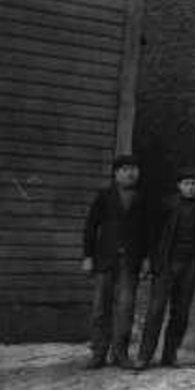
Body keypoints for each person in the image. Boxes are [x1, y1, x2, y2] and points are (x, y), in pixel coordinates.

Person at [81, 153, 150, 370]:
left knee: (125, 308)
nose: (131, 173)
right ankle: (98, 353)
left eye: (134, 169)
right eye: (125, 169)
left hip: (130, 262)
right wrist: (88, 256)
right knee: (100, 308)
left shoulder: (143, 198)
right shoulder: (104, 196)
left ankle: (120, 353)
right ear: (116, 173)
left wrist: (147, 258)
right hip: (105, 260)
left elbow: (149, 232)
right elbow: (91, 227)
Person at [136, 166, 195, 370]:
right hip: (167, 263)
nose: (191, 187)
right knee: (156, 310)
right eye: (187, 183)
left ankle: (170, 354)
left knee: (181, 311)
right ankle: (144, 356)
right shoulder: (167, 205)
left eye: (194, 184)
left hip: (190, 265)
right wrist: (151, 259)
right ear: (179, 186)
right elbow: (153, 233)